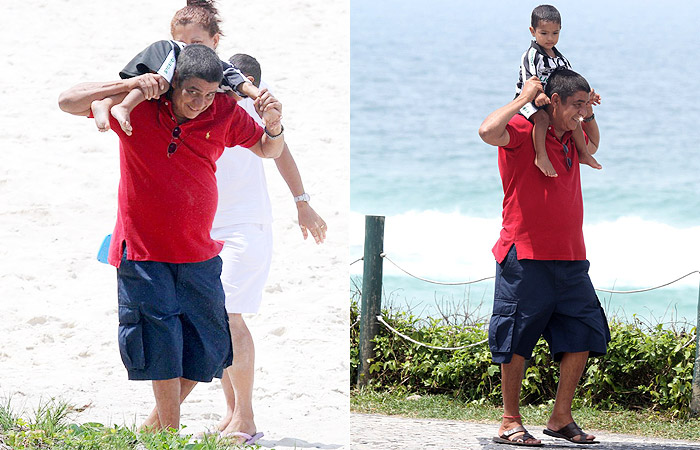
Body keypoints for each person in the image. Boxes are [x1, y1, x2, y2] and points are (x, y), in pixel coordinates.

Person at [57, 44, 286, 431]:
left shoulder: (224, 112)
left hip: (199, 251)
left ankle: (158, 429)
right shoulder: (143, 107)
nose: (200, 103)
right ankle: (169, 432)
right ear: (173, 84)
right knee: (160, 345)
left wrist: (274, 126)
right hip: (143, 250)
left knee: (211, 346)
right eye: (192, 92)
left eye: (210, 93)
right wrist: (132, 83)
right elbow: (67, 101)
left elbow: (268, 149)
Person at [479, 69, 610, 446]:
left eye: (586, 106)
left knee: (584, 333)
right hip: (525, 255)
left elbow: (595, 146)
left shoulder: (573, 136)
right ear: (554, 102)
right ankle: (509, 421)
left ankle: (560, 418)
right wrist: (523, 99)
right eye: (576, 106)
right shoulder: (523, 132)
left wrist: (590, 114)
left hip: (571, 257)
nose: (581, 113)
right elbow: (487, 132)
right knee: (516, 339)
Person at [211, 53, 327, 443]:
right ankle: (231, 411)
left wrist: (302, 202)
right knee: (217, 318)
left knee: (230, 316)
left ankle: (246, 418)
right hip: (208, 228)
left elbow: (281, 152)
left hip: (247, 225)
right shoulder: (209, 106)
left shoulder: (254, 109)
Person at [90, 0, 260, 137]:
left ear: (214, 41)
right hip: (153, 66)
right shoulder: (174, 53)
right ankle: (123, 107)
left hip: (157, 77)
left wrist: (259, 97)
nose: (188, 49)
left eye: (196, 43)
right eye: (182, 43)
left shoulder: (214, 66)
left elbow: (238, 80)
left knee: (157, 85)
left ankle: (105, 103)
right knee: (159, 84)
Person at [516, 4, 601, 177]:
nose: (550, 38)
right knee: (542, 119)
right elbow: (528, 80)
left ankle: (584, 153)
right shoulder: (532, 55)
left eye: (555, 33)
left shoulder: (560, 58)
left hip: (550, 99)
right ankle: (541, 156)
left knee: (575, 119)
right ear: (533, 31)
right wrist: (538, 95)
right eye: (544, 33)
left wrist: (587, 95)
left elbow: (571, 81)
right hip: (528, 100)